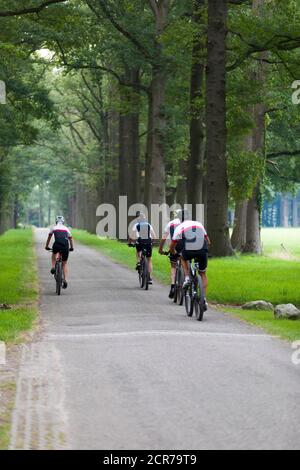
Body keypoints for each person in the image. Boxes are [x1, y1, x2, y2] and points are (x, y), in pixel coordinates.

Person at [169, 209, 210, 307]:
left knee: (182, 257)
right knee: (203, 273)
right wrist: (205, 251)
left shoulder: (179, 227)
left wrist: (173, 252)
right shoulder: (199, 224)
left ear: (179, 219)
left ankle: (187, 277)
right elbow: (208, 241)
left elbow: (172, 245)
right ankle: (203, 299)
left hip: (188, 250)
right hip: (202, 249)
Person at [45, 215, 74, 289]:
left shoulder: (53, 228)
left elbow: (49, 237)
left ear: (56, 221)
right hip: (65, 246)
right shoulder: (66, 228)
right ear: (63, 222)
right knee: (64, 264)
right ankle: (65, 280)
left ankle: (53, 267)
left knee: (54, 253)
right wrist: (71, 247)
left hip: (57, 245)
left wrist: (47, 246)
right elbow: (70, 239)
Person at [128, 211, 157, 284]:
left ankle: (138, 263)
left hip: (140, 241)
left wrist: (129, 243)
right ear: (145, 219)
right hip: (148, 242)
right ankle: (149, 277)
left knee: (138, 252)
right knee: (149, 259)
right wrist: (152, 242)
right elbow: (154, 236)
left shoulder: (136, 225)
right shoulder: (149, 225)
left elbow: (131, 235)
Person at [159, 210, 181, 299]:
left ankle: (172, 286)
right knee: (185, 261)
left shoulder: (171, 223)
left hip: (174, 246)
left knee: (173, 266)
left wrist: (160, 249)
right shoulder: (187, 223)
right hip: (186, 246)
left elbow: (164, 238)